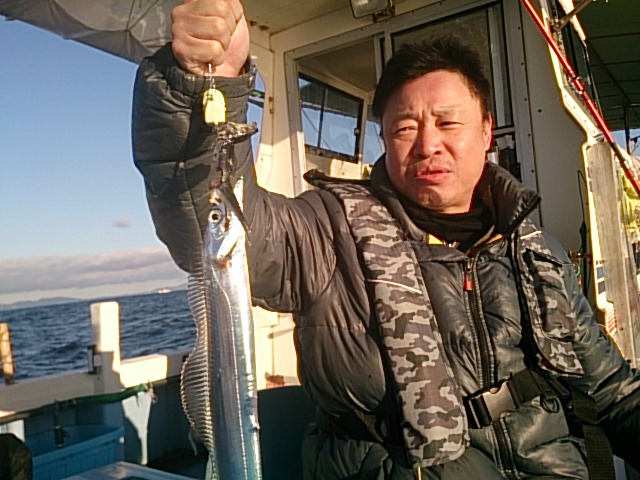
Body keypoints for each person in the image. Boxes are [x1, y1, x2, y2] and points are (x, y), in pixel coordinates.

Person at [132, 0, 640, 478]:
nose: (428, 144)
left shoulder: (535, 250)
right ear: (384, 140)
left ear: (486, 131)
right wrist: (203, 88)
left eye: (448, 122)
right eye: (404, 128)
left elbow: (613, 395)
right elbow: (210, 220)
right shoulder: (325, 234)